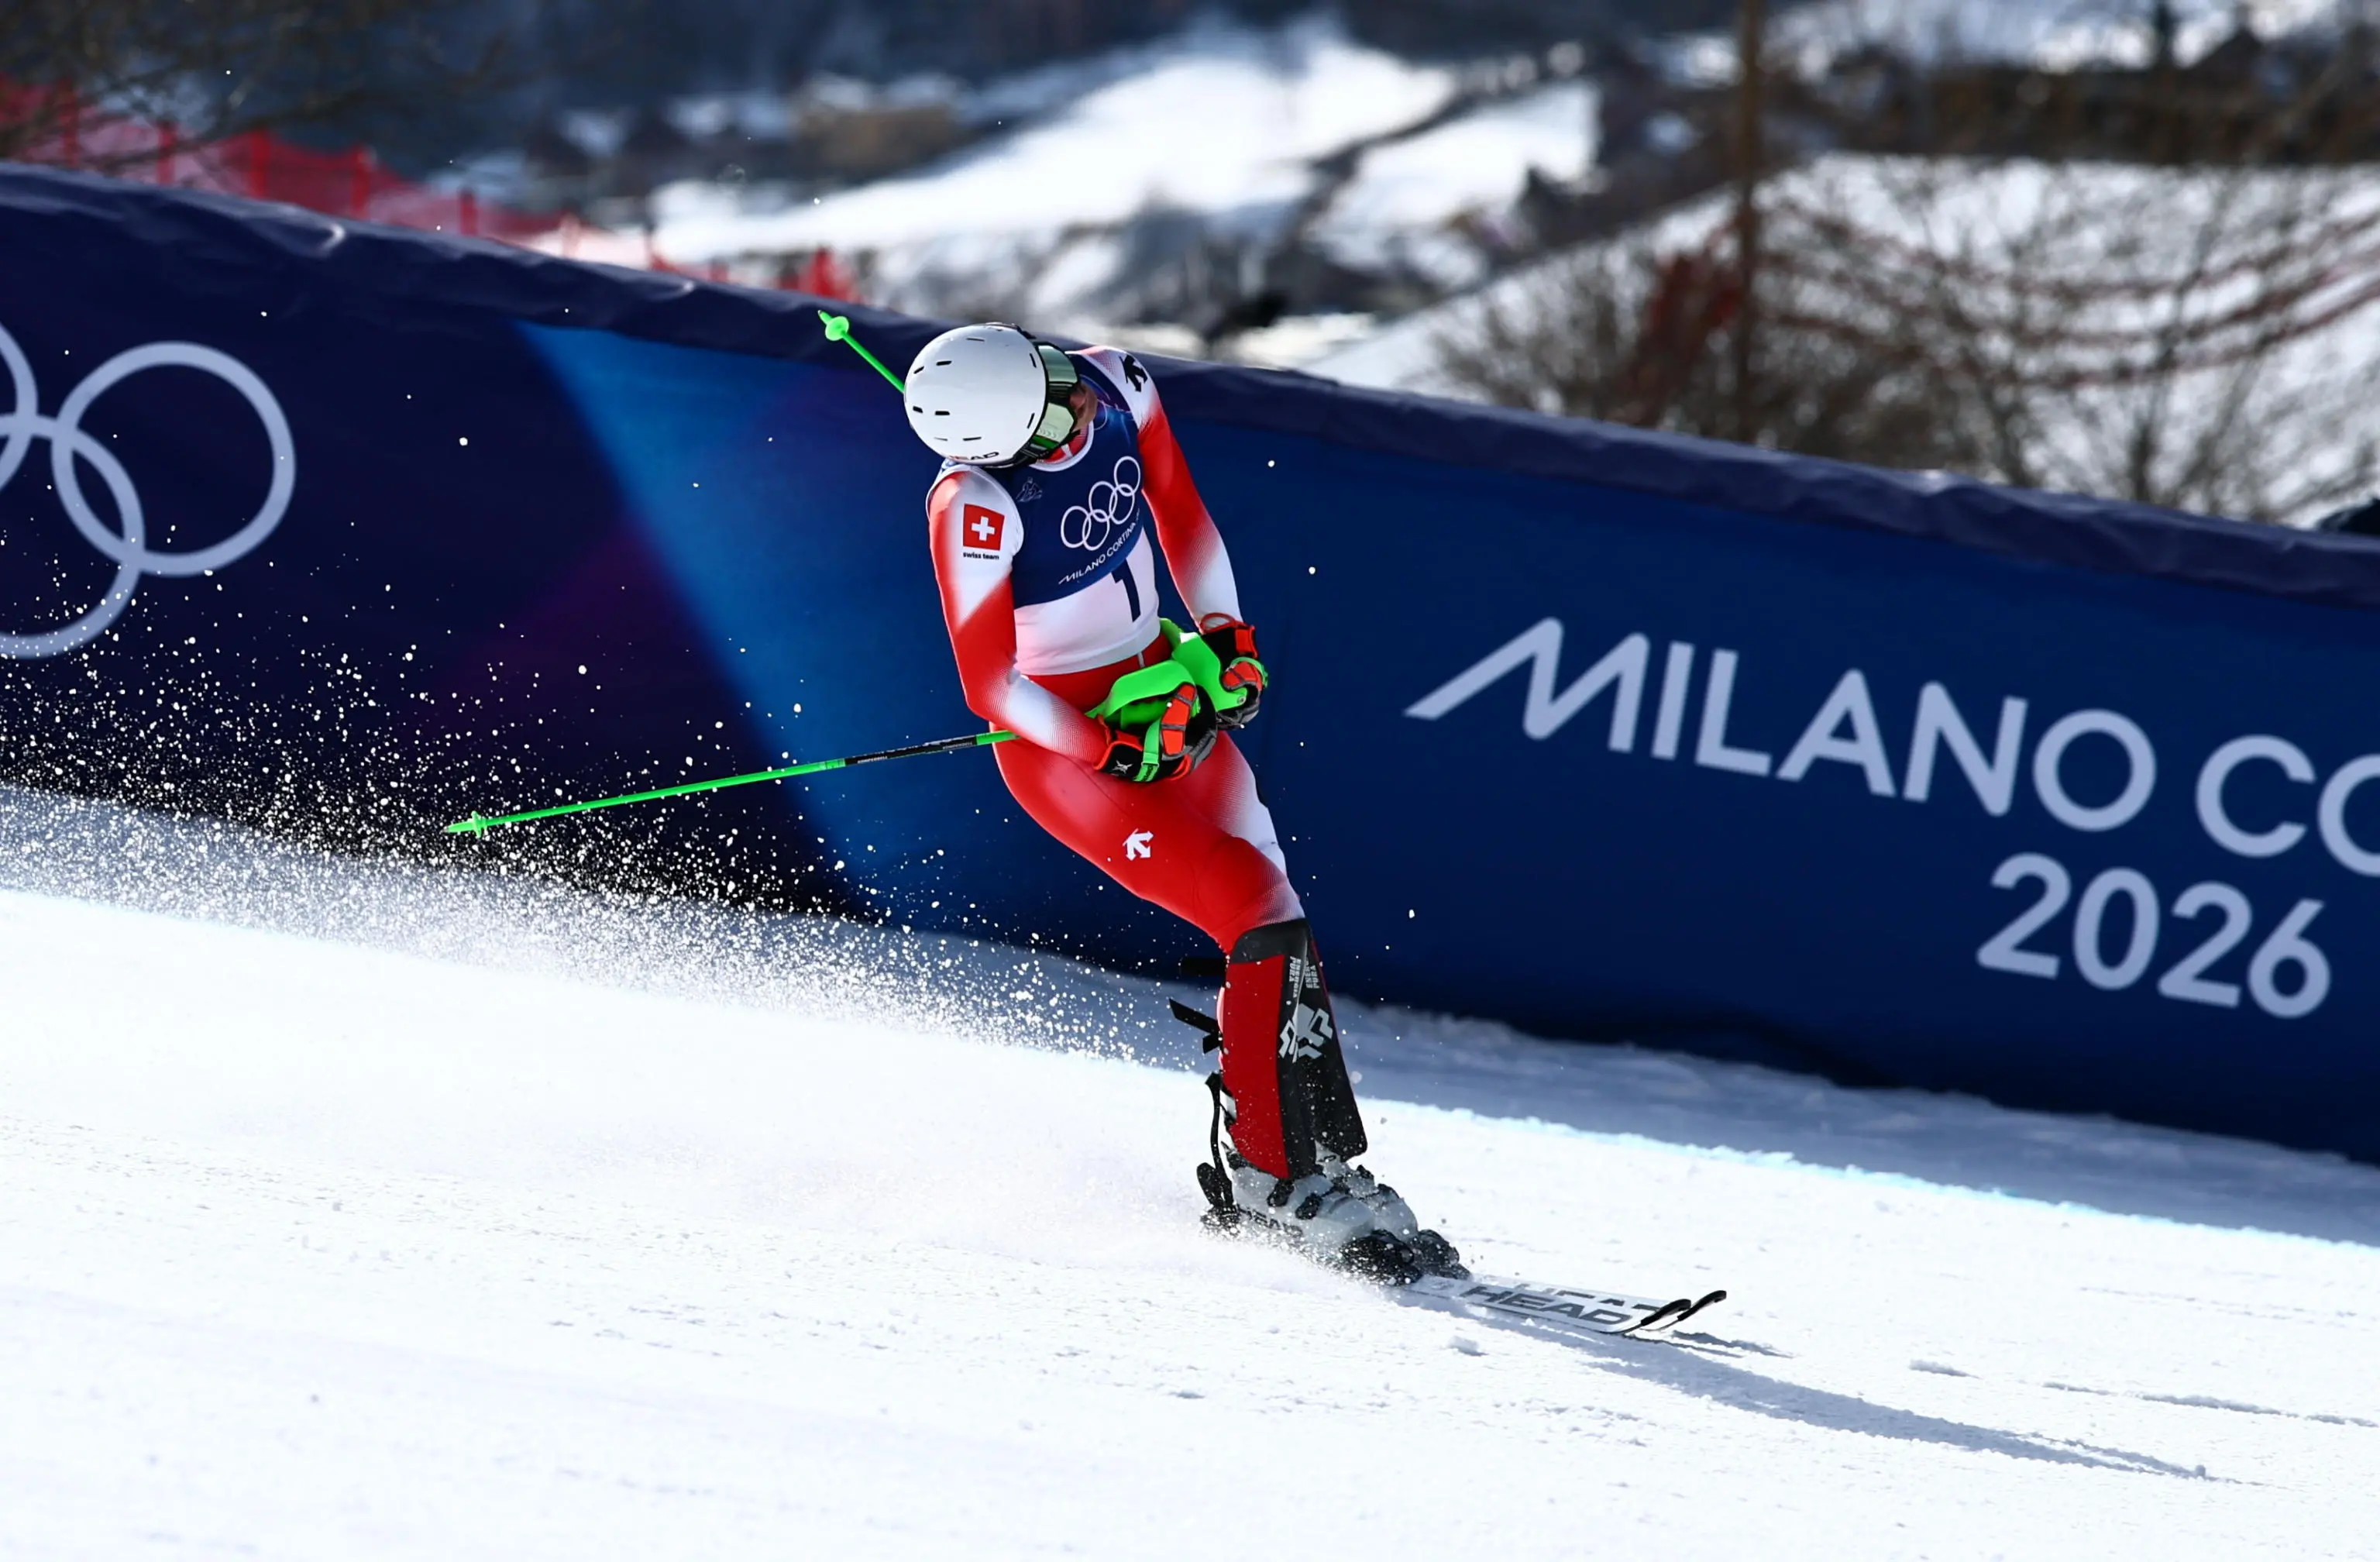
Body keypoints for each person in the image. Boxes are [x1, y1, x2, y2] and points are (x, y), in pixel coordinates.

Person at [904, 323, 1460, 1282]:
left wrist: (1225, 633)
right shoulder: (976, 504)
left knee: (1279, 911)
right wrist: (1106, 743)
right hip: (1070, 749)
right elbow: (992, 685)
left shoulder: (1115, 379)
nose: (1070, 394)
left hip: (1167, 691)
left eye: (1049, 367)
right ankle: (1272, 1182)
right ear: (1005, 439)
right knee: (1250, 905)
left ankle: (1316, 1160)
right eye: (1048, 402)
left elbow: (1182, 514)